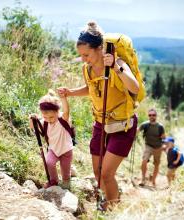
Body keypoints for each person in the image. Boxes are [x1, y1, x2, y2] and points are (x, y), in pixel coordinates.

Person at [58, 21, 139, 209]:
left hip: (122, 125)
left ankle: (113, 208)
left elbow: (134, 86)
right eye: (81, 55)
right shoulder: (87, 69)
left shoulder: (117, 63)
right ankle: (108, 202)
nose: (84, 59)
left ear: (100, 48)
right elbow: (91, 88)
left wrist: (117, 69)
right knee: (97, 171)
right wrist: (70, 92)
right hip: (100, 124)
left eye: (87, 54)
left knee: (106, 174)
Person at [29, 89, 73, 189]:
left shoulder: (62, 120)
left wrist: (63, 98)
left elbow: (66, 111)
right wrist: (32, 119)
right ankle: (54, 180)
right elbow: (32, 126)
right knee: (49, 162)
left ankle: (67, 180)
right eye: (45, 117)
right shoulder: (44, 122)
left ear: (58, 112)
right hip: (53, 149)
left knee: (65, 170)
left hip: (66, 150)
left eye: (51, 117)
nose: (49, 120)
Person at [137, 108, 165, 187]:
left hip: (158, 147)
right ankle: (143, 179)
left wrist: (165, 146)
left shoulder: (160, 127)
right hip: (148, 146)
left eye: (153, 115)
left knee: (156, 165)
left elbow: (164, 137)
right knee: (144, 161)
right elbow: (137, 130)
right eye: (150, 115)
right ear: (148, 116)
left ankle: (153, 181)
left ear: (156, 116)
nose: (152, 116)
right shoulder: (145, 124)